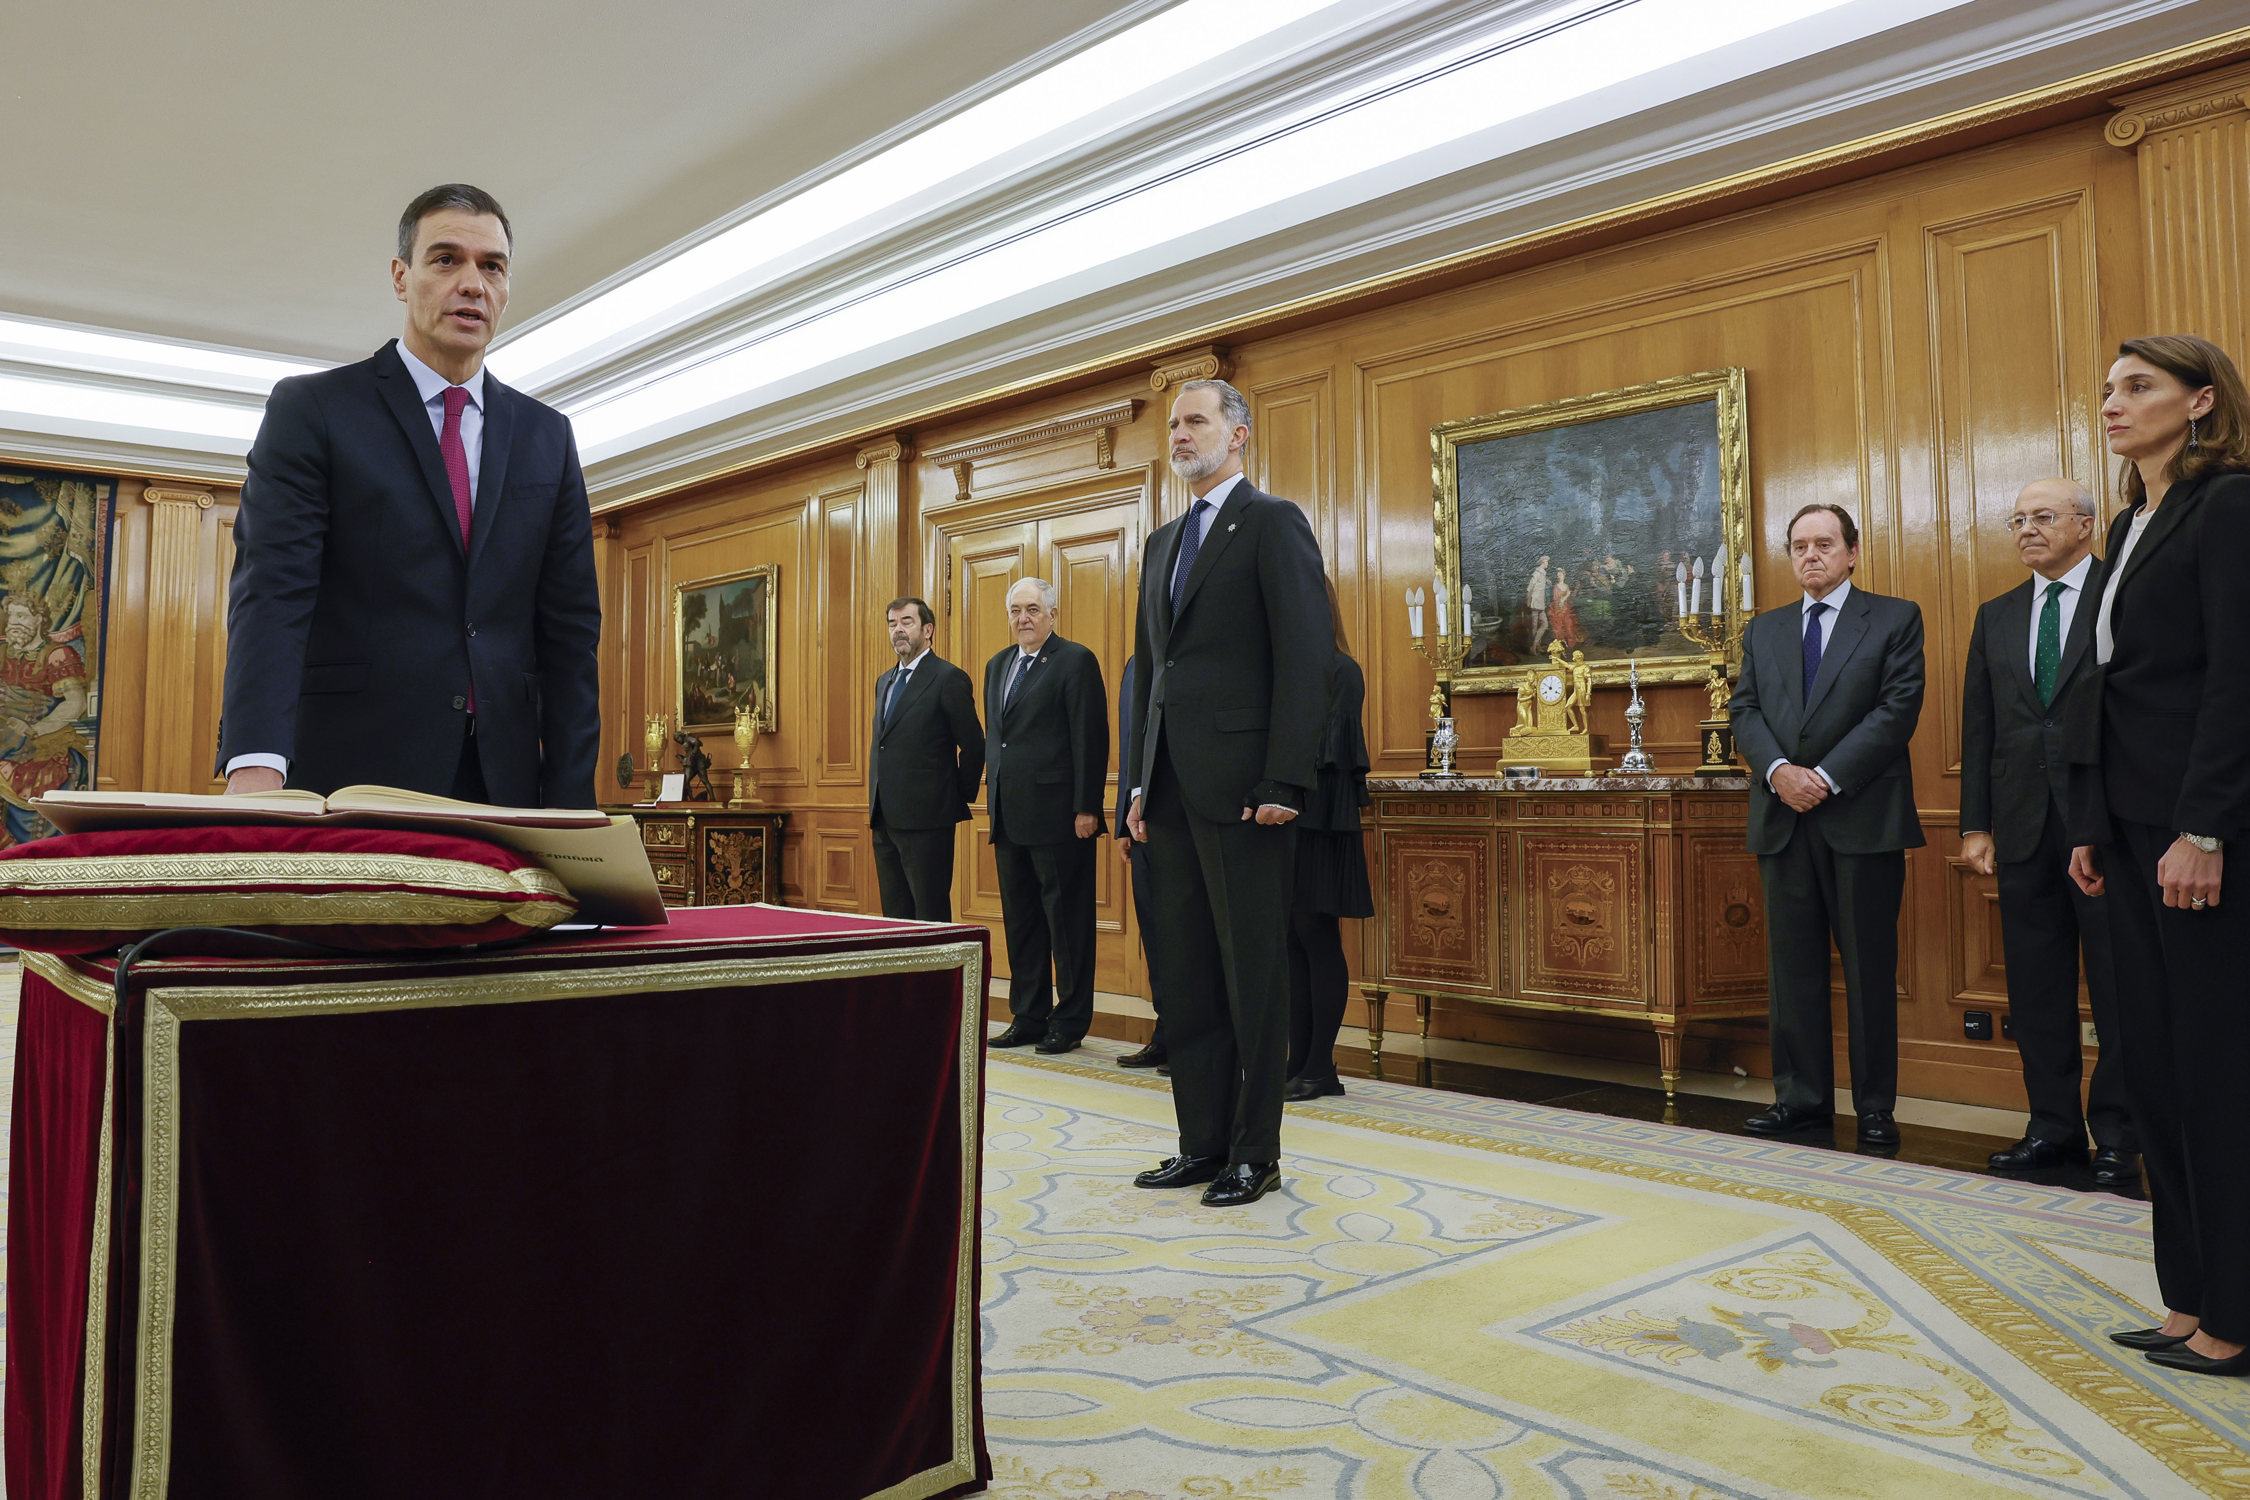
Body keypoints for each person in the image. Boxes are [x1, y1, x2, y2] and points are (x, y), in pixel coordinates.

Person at [219, 184, 600, 807]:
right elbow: (272, 594)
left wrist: (572, 802)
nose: (472, 283)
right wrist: (257, 763)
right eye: (446, 259)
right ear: (402, 277)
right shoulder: (314, 410)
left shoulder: (546, 436)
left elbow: (571, 629)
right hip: (349, 773)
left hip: (503, 782)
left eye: (492, 266)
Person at [2067, 334, 2250, 1378]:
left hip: (2200, 836)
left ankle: (2237, 1312)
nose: (2114, 403)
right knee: (2154, 1068)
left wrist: (2205, 828)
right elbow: (2106, 689)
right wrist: (2093, 825)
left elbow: (2236, 680)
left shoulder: (2227, 507)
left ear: (2201, 399)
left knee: (2218, 1074)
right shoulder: (2134, 521)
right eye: (2106, 390)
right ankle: (2186, 1299)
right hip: (2129, 835)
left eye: (2138, 387)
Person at [1126, 378, 1331, 1208]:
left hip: (1248, 791)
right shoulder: (1160, 544)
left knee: (1252, 977)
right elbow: (1151, 673)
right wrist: (1136, 783)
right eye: (1173, 423)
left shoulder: (1272, 522)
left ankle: (1256, 1150)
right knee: (1185, 978)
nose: (1179, 434)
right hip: (1169, 794)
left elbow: (1305, 656)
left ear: (1238, 434)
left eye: (1196, 420)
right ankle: (1200, 1143)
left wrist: (1285, 776)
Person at [1730, 503, 1924, 1150]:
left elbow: (1896, 711)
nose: (1810, 556)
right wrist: (1781, 771)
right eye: (1799, 546)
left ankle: (1874, 1108)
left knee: (1870, 971)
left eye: (1823, 544)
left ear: (1852, 553)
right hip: (1782, 817)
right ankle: (1801, 1100)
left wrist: (1826, 777)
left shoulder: (1894, 619)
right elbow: (1746, 710)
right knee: (1793, 971)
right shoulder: (1764, 630)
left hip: (1862, 817)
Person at [1959, 479, 2136, 1187]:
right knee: (2035, 991)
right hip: (2025, 829)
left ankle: (2121, 1136)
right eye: (2018, 520)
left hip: (2109, 826)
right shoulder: (1995, 616)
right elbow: (1981, 728)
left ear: (2087, 526)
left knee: (2121, 991)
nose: (2027, 529)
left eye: (2044, 517)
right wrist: (1976, 823)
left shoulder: (2121, 596)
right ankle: (2052, 1130)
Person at [983, 578, 1108, 1054]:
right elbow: (1001, 739)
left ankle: (1071, 1019)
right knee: (1022, 921)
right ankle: (1028, 1015)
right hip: (1009, 815)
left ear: (1052, 613)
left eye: (1033, 609)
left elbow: (1089, 737)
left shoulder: (1074, 660)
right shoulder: (998, 665)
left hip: (1060, 815)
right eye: (1016, 610)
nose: (1023, 618)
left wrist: (1086, 807)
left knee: (1067, 922)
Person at [1284, 578, 1373, 1102]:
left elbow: (1327, 755)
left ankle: (1321, 1066)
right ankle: (1299, 1061)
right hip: (1289, 822)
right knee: (1292, 943)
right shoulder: (1290, 668)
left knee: (1316, 938)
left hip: (1321, 821)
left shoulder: (1341, 670)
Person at [868, 596, 984, 921]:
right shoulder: (884, 681)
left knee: (929, 916)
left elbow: (974, 745)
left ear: (928, 629)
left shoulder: (948, 678)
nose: (898, 631)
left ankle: (935, 976)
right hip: (884, 818)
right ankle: (903, 975)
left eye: (907, 622)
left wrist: (953, 796)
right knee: (895, 918)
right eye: (892, 624)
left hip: (929, 819)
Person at [1113, 653, 1168, 1069]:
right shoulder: (1136, 663)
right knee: (1155, 933)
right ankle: (1167, 1031)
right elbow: (1130, 743)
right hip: (1141, 824)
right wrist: (1121, 823)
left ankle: (1197, 1038)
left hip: (1184, 819)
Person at [1547, 567, 1582, 650]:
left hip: (1566, 609)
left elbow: (1569, 599)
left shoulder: (1566, 586)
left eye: (1561, 575)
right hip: (1557, 610)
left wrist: (1568, 596)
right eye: (1558, 575)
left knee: (1569, 626)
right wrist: (1565, 597)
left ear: (1564, 576)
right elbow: (1556, 600)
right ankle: (1560, 646)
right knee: (1558, 628)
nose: (1559, 576)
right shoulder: (1556, 587)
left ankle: (1570, 645)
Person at [1525, 555, 1553, 651]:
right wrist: (1528, 600)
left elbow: (1543, 583)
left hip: (1540, 602)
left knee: (1544, 624)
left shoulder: (1543, 573)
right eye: (1546, 562)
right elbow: (1530, 587)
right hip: (1536, 602)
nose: (1547, 564)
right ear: (1542, 563)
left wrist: (1547, 581)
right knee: (1534, 626)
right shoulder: (1537, 573)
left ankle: (1535, 645)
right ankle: (1535, 646)